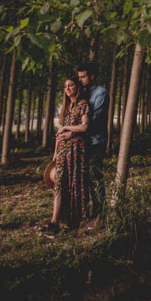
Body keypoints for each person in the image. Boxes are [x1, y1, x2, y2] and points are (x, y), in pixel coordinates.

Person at [47, 77, 89, 231]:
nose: (68, 88)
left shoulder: (83, 104)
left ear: (77, 87)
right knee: (58, 182)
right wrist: (55, 153)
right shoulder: (65, 107)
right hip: (62, 150)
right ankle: (54, 220)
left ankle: (74, 219)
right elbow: (59, 134)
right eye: (65, 86)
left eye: (71, 85)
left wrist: (67, 128)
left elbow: (84, 127)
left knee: (74, 183)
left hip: (76, 149)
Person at [76, 63, 108, 219]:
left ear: (92, 76)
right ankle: (87, 213)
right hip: (83, 142)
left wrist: (76, 129)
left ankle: (100, 214)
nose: (80, 80)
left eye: (83, 77)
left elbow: (94, 119)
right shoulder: (81, 92)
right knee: (84, 178)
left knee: (95, 175)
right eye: (79, 77)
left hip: (96, 141)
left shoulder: (101, 93)